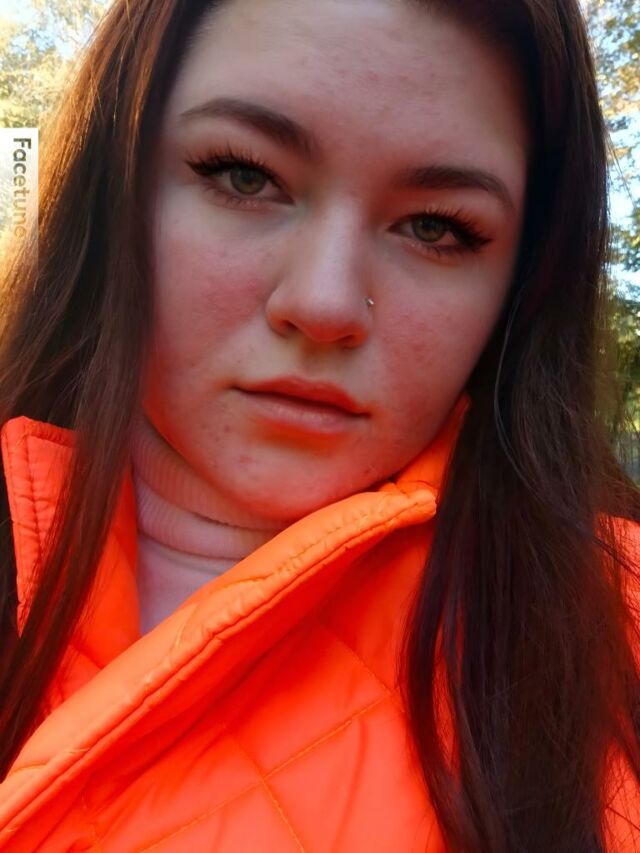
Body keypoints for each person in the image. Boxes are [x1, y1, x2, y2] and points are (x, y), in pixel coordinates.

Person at [0, 0, 639, 849]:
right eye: (243, 175)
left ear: (524, 283)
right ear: (114, 183)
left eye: (437, 227)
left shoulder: (616, 634)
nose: (325, 303)